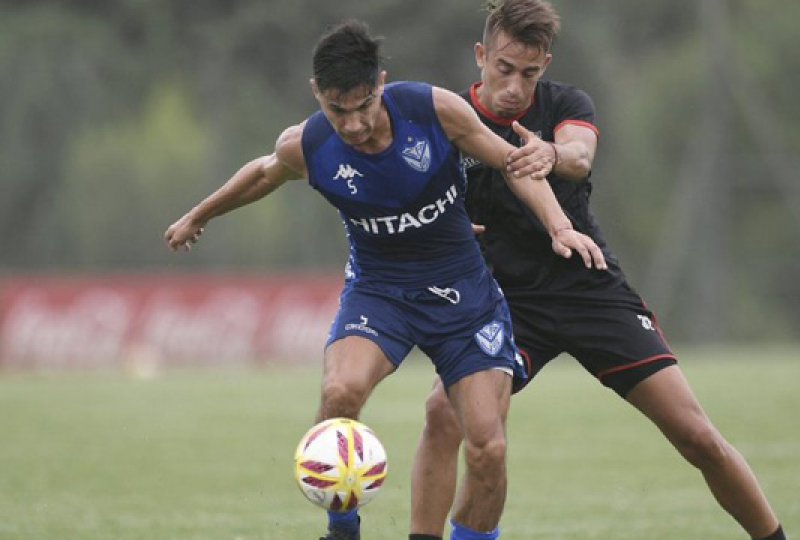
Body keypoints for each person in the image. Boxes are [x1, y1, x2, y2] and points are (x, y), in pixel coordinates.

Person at [164, 19, 606, 540]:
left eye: (363, 106)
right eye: (337, 110)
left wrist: (559, 226)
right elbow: (262, 173)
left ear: (381, 83)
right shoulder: (307, 144)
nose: (352, 125)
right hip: (381, 292)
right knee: (340, 393)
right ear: (317, 96)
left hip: (465, 295)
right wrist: (199, 215)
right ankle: (342, 526)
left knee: (489, 449)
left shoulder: (434, 110)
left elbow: (512, 164)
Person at [408, 1, 787, 540]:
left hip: (588, 286)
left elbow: (579, 155)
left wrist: (551, 156)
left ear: (546, 66)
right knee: (445, 417)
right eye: (504, 69)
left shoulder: (566, 103)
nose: (516, 86)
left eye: (530, 73)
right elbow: (413, 196)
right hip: (503, 305)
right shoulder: (449, 122)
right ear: (480, 57)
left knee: (697, 437)